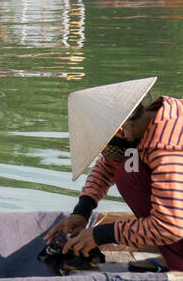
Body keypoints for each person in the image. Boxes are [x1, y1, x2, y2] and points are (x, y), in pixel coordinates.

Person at [45, 77, 183, 269]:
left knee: (129, 175)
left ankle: (178, 260)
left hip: (174, 225)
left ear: (119, 130)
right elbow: (107, 166)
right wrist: (82, 212)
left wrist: (101, 234)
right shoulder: (157, 118)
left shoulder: (166, 148)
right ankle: (170, 251)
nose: (104, 153)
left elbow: (171, 225)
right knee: (128, 168)